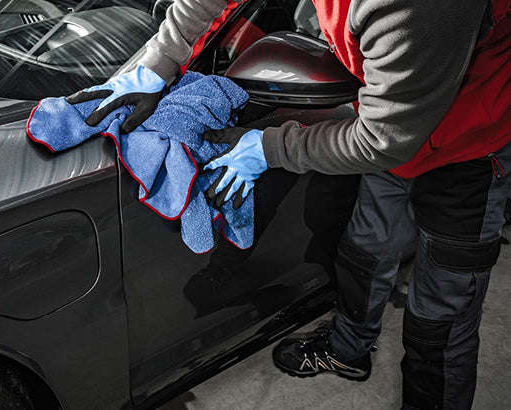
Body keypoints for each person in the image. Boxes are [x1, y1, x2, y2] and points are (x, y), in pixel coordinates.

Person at [67, 0, 511, 408]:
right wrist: (153, 66)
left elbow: (384, 138)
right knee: (364, 255)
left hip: (468, 149)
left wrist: (270, 148)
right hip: (388, 129)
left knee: (442, 315)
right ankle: (348, 351)